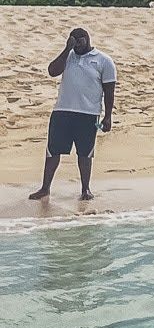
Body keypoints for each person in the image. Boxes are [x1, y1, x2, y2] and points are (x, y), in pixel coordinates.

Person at [30, 26, 116, 202]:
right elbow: (52, 71)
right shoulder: (68, 56)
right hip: (62, 111)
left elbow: (109, 91)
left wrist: (108, 116)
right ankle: (45, 188)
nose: (77, 45)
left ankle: (85, 189)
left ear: (87, 39)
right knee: (52, 151)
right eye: (73, 42)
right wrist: (67, 49)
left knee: (85, 154)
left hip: (88, 113)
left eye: (79, 41)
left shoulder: (103, 60)